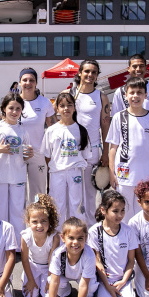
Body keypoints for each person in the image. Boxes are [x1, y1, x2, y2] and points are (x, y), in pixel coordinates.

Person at [106, 77, 149, 219]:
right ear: (126, 95)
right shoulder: (119, 117)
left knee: (142, 213)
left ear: (145, 95)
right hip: (123, 175)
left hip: (145, 174)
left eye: (139, 93)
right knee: (123, 212)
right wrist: (112, 172)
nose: (135, 96)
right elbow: (113, 148)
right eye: (132, 92)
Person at [63, 59, 111, 225]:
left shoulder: (101, 97)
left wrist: (106, 153)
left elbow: (105, 126)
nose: (90, 75)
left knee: (90, 194)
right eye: (87, 71)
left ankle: (90, 229)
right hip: (70, 151)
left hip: (93, 150)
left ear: (97, 75)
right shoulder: (69, 94)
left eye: (94, 72)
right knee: (71, 191)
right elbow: (56, 119)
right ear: (80, 73)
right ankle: (71, 227)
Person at [0, 94, 34, 234]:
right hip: (0, 177)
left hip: (18, 177)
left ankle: (17, 243)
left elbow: (25, 155)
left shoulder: (23, 130)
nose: (14, 112)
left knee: (18, 213)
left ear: (22, 111)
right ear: (4, 109)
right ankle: (0, 241)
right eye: (11, 108)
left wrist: (29, 155)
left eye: (18, 109)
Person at [88, 190, 141, 297]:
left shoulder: (128, 231)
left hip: (123, 280)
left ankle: (120, 295)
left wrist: (123, 281)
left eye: (122, 210)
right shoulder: (94, 232)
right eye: (115, 211)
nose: (120, 215)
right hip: (104, 281)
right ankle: (97, 293)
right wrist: (107, 286)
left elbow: (131, 261)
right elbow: (97, 262)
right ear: (103, 210)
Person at [42, 93, 94, 224]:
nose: (66, 108)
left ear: (74, 108)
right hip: (57, 173)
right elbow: (47, 156)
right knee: (57, 204)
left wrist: (73, 165)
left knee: (76, 204)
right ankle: (57, 233)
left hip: (75, 173)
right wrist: (56, 166)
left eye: (69, 105)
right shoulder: (51, 130)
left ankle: (76, 232)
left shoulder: (81, 130)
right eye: (62, 105)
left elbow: (86, 156)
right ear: (57, 109)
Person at [38, 217, 98, 297]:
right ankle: (66, 293)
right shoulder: (58, 254)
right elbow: (54, 281)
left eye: (80, 238)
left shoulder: (89, 255)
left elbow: (84, 284)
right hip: (65, 275)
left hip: (83, 278)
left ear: (86, 238)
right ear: (63, 238)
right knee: (53, 281)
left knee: (90, 288)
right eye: (71, 238)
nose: (75, 242)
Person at [17, 68, 55, 200]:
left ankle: (37, 214)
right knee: (18, 192)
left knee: (38, 193)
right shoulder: (13, 102)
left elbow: (53, 127)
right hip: (17, 153)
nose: (28, 83)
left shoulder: (44, 102)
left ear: (36, 83)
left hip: (38, 153)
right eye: (25, 80)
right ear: (19, 82)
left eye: (31, 80)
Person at [19, 194, 61, 297]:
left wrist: (49, 280)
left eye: (43, 221)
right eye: (34, 222)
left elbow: (52, 261)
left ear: (49, 221)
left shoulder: (54, 237)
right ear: (28, 222)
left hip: (48, 267)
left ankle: (44, 281)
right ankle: (26, 276)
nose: (39, 225)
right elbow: (24, 260)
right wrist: (30, 280)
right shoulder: (25, 236)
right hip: (32, 265)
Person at [110, 54, 149, 125]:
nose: (138, 69)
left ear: (146, 68)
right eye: (134, 66)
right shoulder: (120, 91)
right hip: (127, 131)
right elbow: (115, 117)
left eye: (141, 66)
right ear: (128, 69)